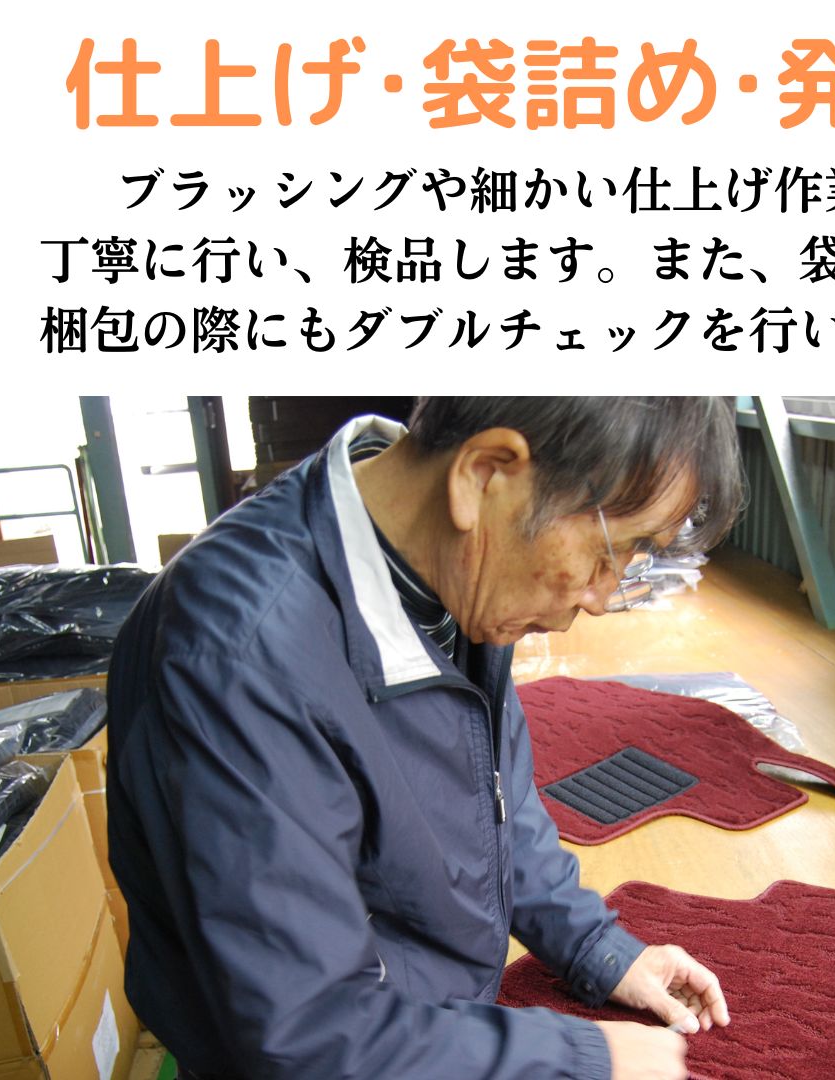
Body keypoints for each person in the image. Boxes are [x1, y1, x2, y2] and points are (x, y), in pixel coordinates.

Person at [106, 397, 743, 1080]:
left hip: (431, 1028)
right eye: (608, 553)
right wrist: (581, 1062)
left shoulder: (454, 565)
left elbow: (495, 803)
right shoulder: (242, 654)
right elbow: (306, 1031)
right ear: (485, 474)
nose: (599, 595)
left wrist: (600, 949)